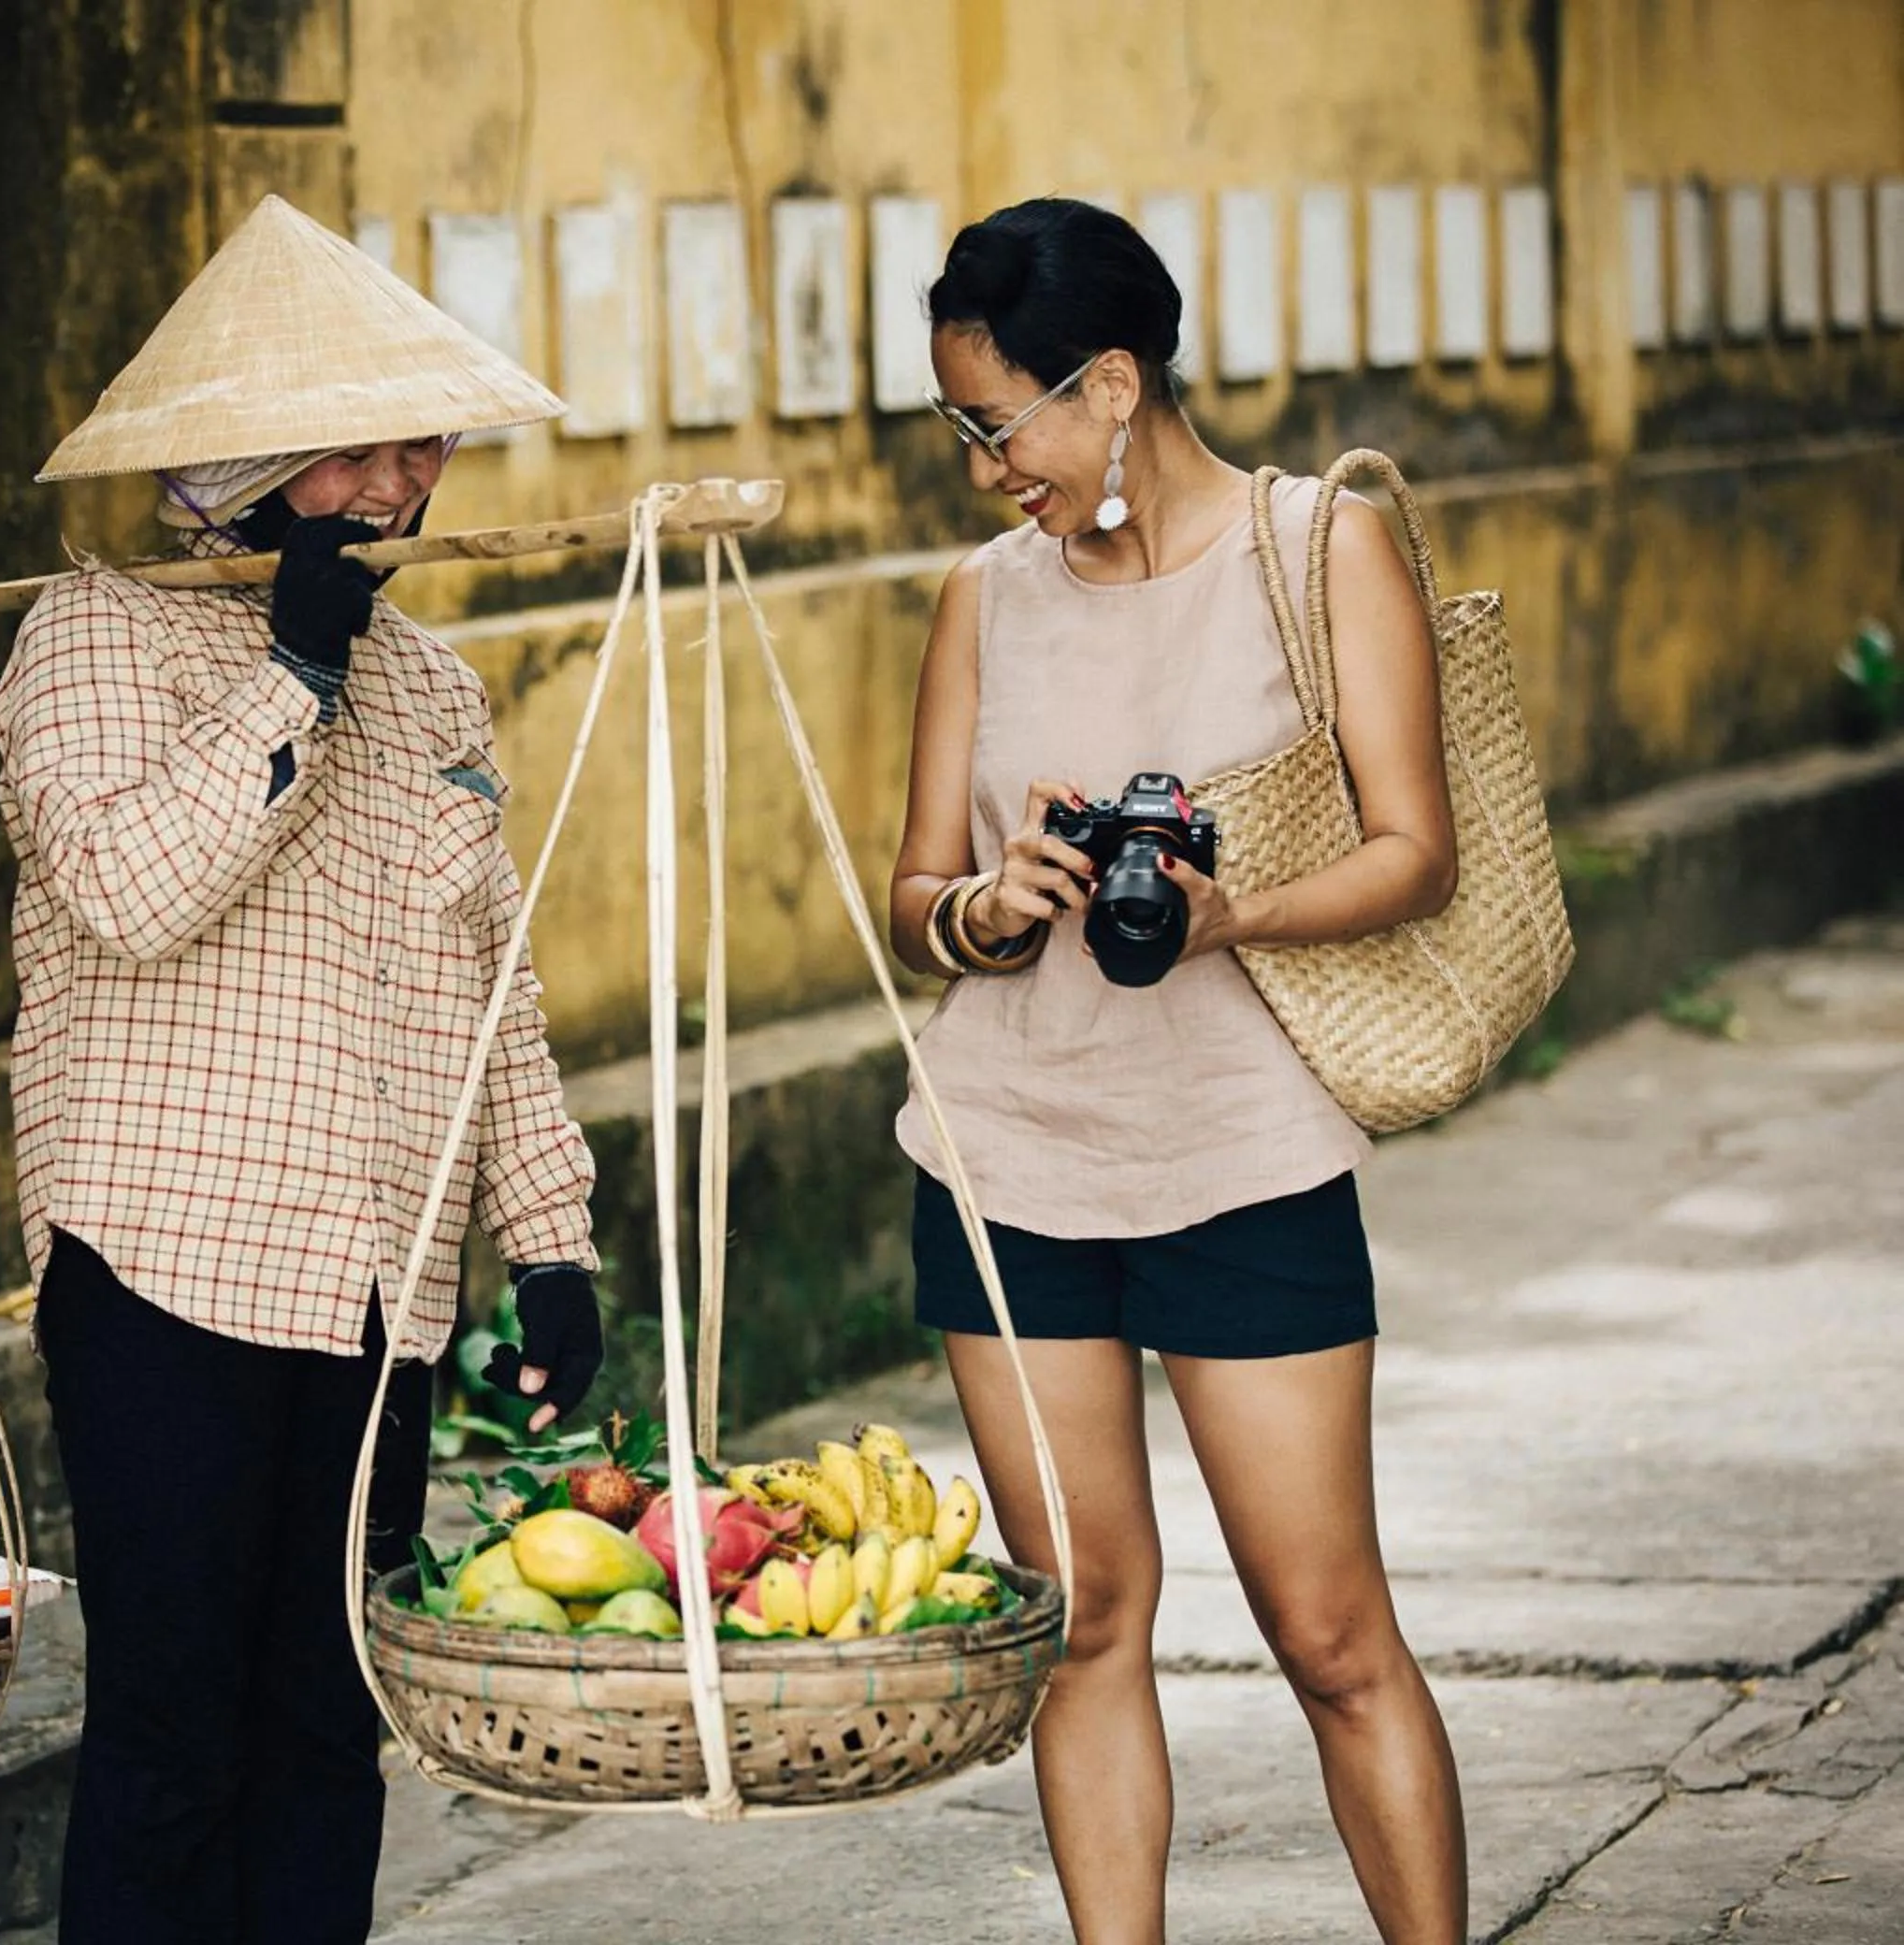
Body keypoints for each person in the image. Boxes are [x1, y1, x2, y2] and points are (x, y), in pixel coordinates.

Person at [0, 196, 606, 1945]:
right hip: (168, 1268)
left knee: (331, 1737)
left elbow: (493, 988)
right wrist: (291, 676)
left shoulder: (436, 688)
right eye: (380, 448)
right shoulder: (88, 640)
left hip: (375, 1289)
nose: (415, 487)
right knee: (175, 1740)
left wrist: (548, 1240)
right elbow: (124, 892)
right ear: (266, 458)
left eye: (431, 447)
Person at [888, 197, 1469, 1945]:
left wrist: (1233, 914)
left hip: (1243, 1152)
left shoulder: (1318, 546)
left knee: (1331, 1634)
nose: (988, 470)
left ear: (1115, 381)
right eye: (960, 430)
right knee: (1081, 1619)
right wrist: (992, 908)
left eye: (999, 424)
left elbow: (1417, 848)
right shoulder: (983, 599)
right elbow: (913, 893)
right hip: (1008, 1156)